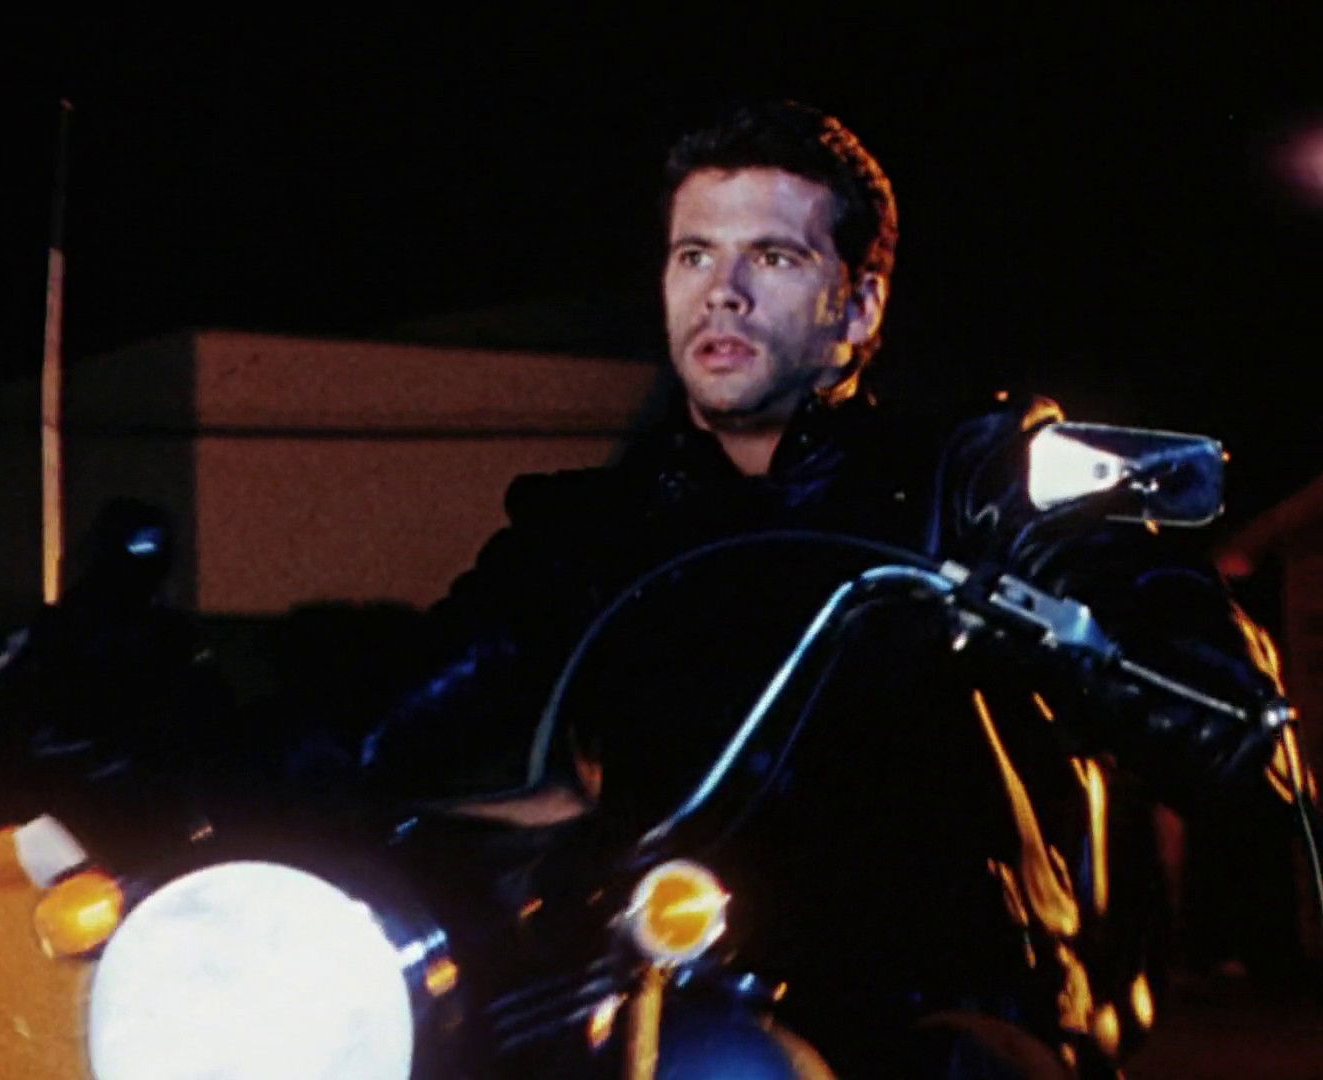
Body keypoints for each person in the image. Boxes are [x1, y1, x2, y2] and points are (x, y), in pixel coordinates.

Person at [360, 100, 1302, 1076]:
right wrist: (285, 754)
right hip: (665, 983)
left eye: (772, 257)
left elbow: (1122, 588)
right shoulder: (590, 527)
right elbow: (421, 692)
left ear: (856, 309)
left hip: (945, 1002)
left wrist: (1180, 665)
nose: (722, 292)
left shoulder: (966, 477)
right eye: (694, 255)